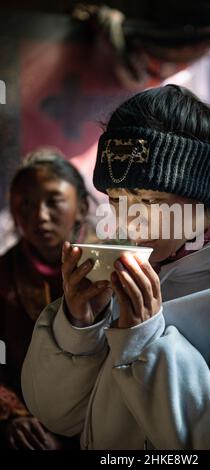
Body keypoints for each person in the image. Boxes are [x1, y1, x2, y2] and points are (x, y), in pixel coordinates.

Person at [22, 86, 210, 450]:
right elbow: (60, 416)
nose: (130, 223)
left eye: (151, 201)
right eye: (118, 200)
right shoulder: (125, 265)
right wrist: (79, 325)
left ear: (199, 195)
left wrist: (144, 341)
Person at [0, 148, 98, 450]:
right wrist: (13, 416)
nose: (39, 216)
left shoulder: (109, 269)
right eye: (25, 205)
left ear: (81, 207)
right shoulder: (4, 276)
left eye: (53, 202)